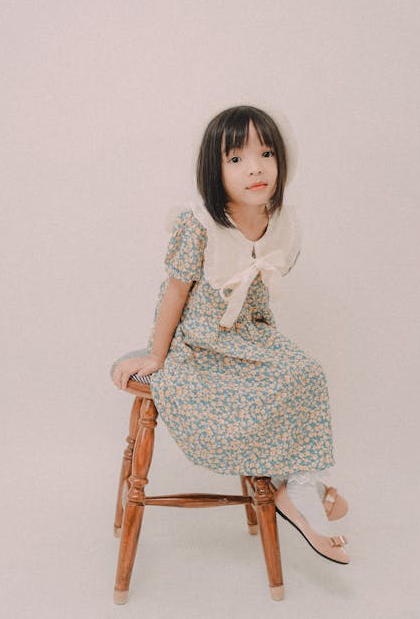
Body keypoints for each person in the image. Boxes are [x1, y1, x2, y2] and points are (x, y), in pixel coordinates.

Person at [112, 105, 350, 564]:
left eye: (266, 153)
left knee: (304, 373)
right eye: (236, 159)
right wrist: (157, 356)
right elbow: (175, 293)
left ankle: (299, 483)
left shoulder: (283, 222)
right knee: (229, 396)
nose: (255, 168)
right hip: (197, 339)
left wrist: (264, 345)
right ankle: (294, 487)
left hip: (250, 335)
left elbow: (260, 298)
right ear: (214, 170)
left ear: (283, 161)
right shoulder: (198, 223)